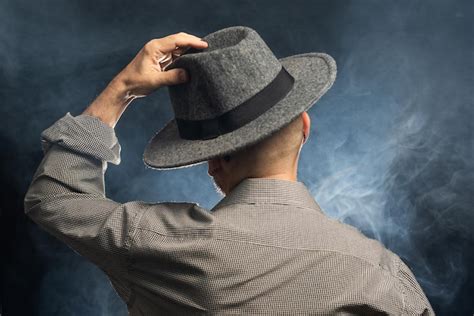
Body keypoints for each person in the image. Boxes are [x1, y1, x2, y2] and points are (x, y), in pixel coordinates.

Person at [24, 27, 435, 315]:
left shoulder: (159, 243)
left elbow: (55, 198)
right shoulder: (383, 274)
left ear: (212, 160)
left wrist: (122, 89)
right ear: (305, 127)